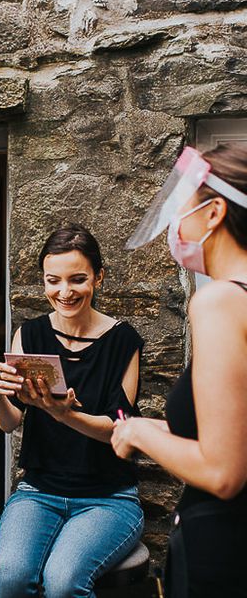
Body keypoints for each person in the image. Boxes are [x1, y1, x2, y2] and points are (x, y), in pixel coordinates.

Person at [111, 143, 247, 597]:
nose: (174, 224)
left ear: (214, 213)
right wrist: (162, 425)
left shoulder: (219, 301)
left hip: (224, 548)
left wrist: (136, 434)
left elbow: (224, 472)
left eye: (182, 207)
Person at [0, 224, 144, 598]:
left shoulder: (123, 340)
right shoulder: (30, 334)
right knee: (9, 579)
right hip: (39, 491)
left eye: (77, 280)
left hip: (109, 497)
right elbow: (10, 422)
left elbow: (117, 430)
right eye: (52, 280)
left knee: (62, 583)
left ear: (98, 277)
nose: (64, 292)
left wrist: (63, 414)